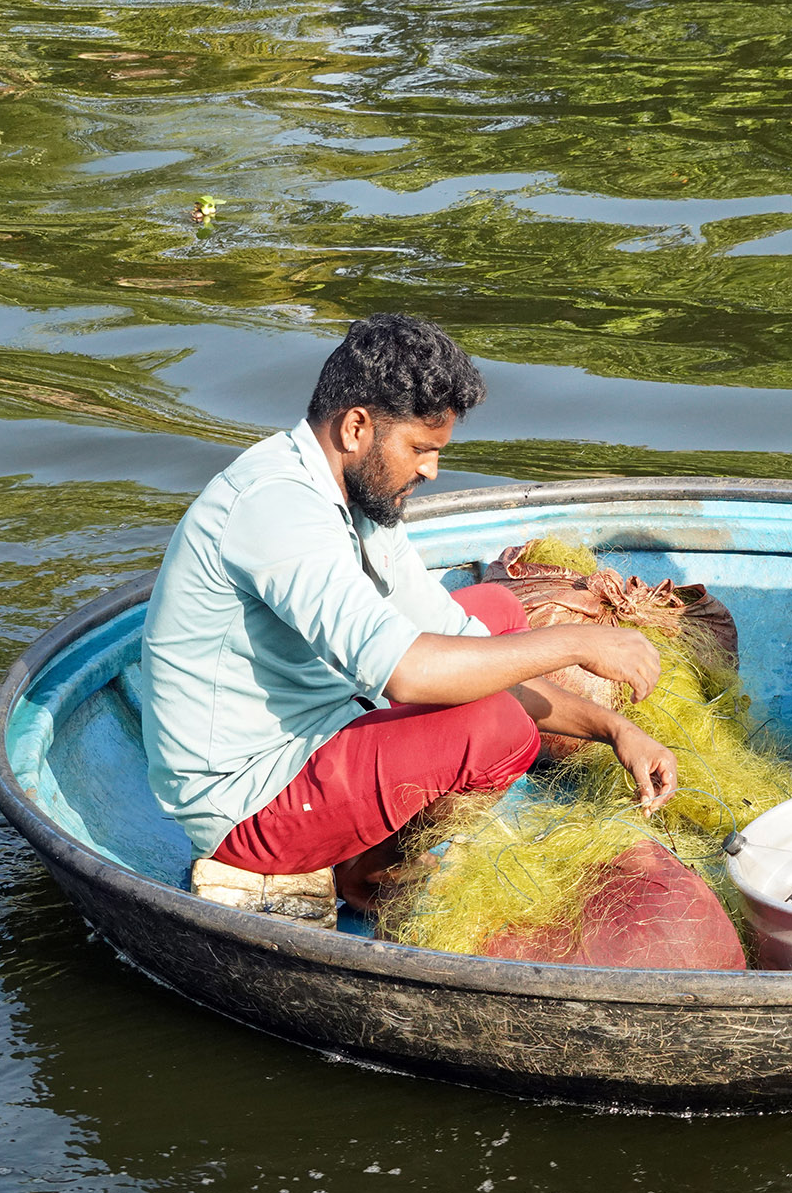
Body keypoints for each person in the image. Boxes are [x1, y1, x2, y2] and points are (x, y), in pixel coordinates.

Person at [141, 313, 677, 912]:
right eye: (420, 449)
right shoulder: (277, 508)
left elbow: (462, 641)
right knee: (498, 730)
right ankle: (368, 874)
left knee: (496, 612)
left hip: (326, 722)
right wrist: (578, 642)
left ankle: (362, 848)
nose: (430, 470)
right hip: (249, 804)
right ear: (356, 428)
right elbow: (409, 674)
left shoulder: (357, 497)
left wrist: (615, 730)